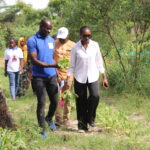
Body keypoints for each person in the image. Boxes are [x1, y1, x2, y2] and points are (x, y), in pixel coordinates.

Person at [66, 26, 109, 132]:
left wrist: (104, 77)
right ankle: (82, 125)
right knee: (81, 101)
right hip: (79, 77)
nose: (87, 38)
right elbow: (72, 65)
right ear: (80, 35)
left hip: (93, 75)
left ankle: (90, 118)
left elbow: (99, 62)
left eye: (89, 35)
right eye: (85, 36)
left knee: (95, 96)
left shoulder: (95, 45)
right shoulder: (75, 47)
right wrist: (68, 79)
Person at [27, 18, 59, 138]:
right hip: (38, 77)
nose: (49, 31)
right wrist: (52, 65)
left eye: (51, 28)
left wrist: (56, 70)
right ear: (41, 26)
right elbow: (34, 61)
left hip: (51, 76)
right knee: (41, 102)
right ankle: (42, 129)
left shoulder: (51, 40)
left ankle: (49, 118)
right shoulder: (32, 40)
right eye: (47, 28)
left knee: (55, 101)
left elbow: (51, 56)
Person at [54, 27, 75, 126]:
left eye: (63, 37)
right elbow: (51, 60)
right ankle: (58, 119)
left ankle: (66, 118)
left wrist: (69, 77)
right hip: (57, 75)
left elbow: (75, 62)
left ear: (67, 35)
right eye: (60, 37)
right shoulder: (54, 44)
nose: (61, 39)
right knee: (57, 98)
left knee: (67, 97)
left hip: (69, 75)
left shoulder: (73, 45)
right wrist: (56, 74)